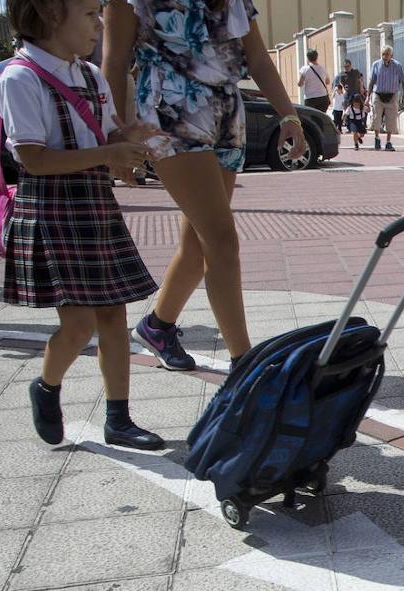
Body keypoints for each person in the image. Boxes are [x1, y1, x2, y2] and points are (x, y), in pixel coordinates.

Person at [102, 0, 306, 371]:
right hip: (169, 114)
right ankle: (244, 364)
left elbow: (257, 58)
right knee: (222, 239)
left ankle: (157, 326)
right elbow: (114, 63)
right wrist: (116, 138)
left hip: (227, 115)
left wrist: (289, 114)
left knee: (198, 245)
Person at [0, 0, 167, 449]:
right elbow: (33, 159)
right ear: (53, 15)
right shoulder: (20, 77)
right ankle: (47, 387)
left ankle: (119, 419)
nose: (99, 24)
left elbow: (106, 135)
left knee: (113, 313)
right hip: (55, 208)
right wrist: (108, 154)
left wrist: (130, 137)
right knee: (77, 324)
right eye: (90, 14)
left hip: (93, 203)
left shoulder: (89, 76)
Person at [369, 45, 404, 151]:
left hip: (392, 95)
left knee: (391, 119)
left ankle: (388, 142)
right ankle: (377, 138)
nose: (385, 56)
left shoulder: (397, 66)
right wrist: (368, 96)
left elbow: (403, 80)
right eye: (383, 54)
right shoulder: (376, 65)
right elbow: (372, 81)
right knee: (377, 118)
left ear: (391, 55)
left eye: (387, 54)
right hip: (378, 94)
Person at [297, 48, 330, 114]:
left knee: (311, 119)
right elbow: (328, 82)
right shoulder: (322, 68)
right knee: (321, 118)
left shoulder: (304, 69)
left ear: (308, 58)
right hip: (323, 97)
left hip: (310, 98)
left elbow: (300, 84)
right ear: (317, 57)